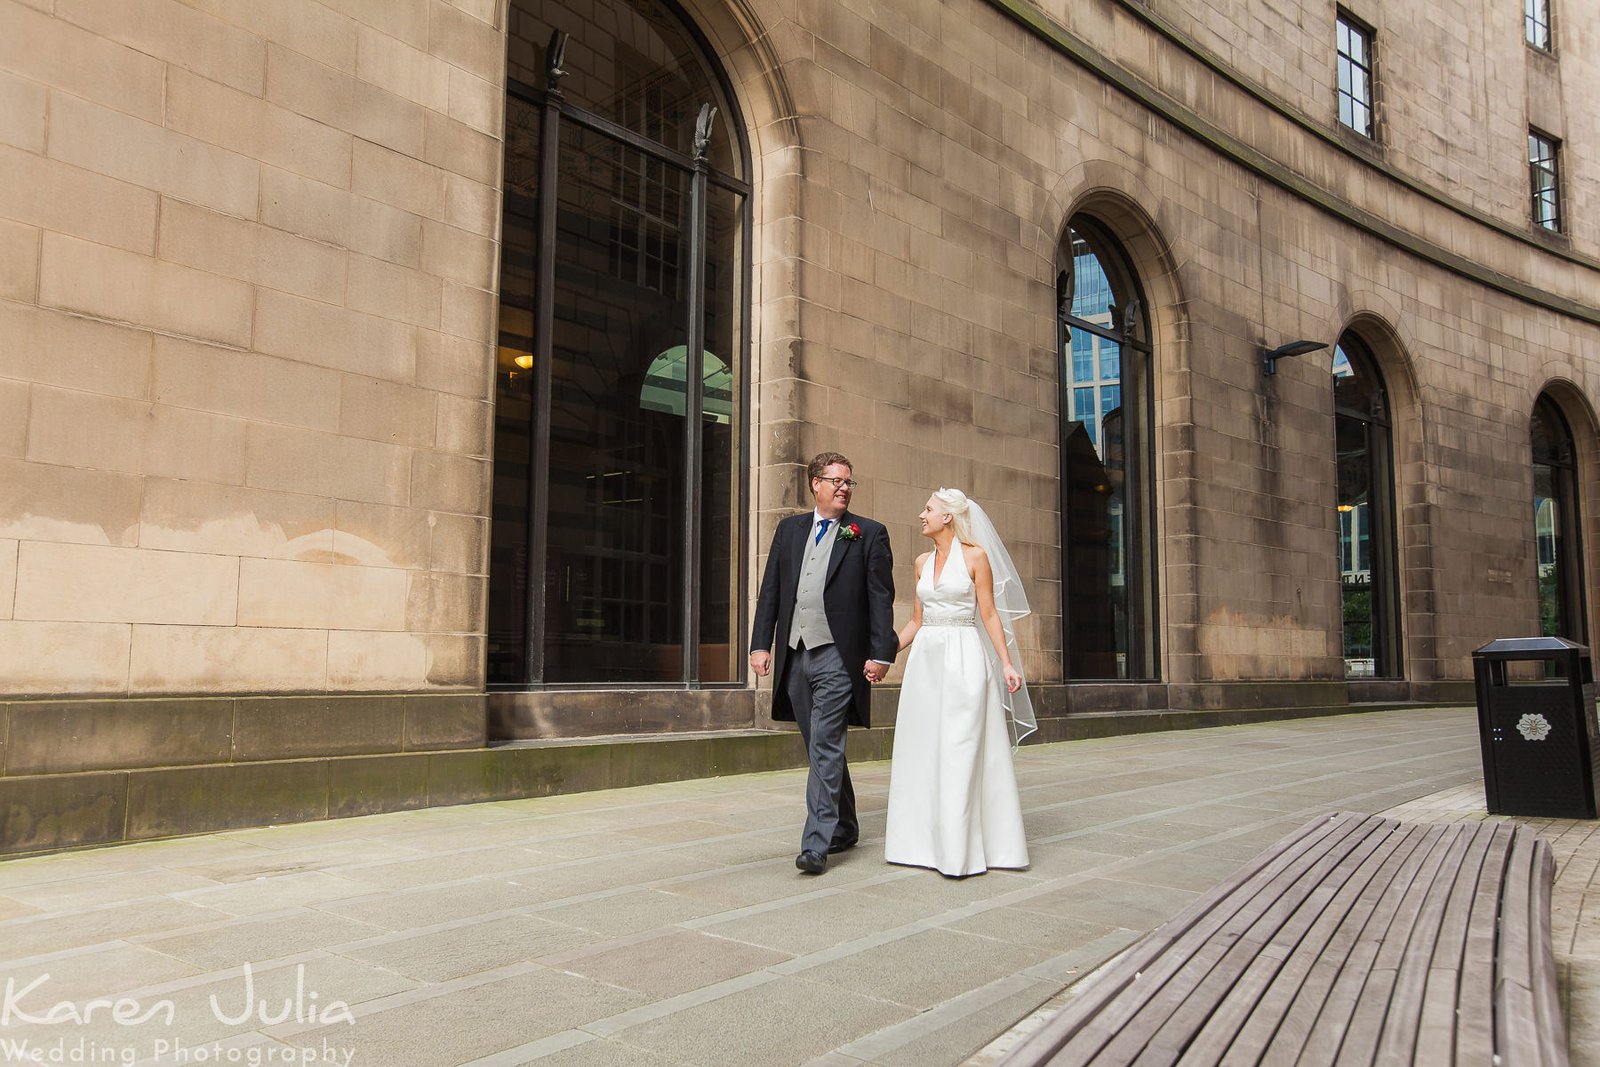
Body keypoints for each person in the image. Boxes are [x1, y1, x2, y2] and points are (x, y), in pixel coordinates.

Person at [751, 452, 896, 875]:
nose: (843, 488)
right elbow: (771, 591)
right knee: (820, 746)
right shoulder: (790, 529)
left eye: (849, 482)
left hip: (839, 656)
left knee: (826, 744)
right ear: (814, 483)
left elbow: (880, 598)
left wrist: (881, 652)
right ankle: (846, 823)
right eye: (835, 481)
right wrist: (762, 645)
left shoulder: (868, 533)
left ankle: (817, 842)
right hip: (795, 654)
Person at [883, 488, 1033, 877]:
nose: (921, 515)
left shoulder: (975, 557)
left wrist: (1007, 663)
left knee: (960, 747)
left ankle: (961, 849)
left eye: (928, 509)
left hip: (964, 658)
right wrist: (884, 657)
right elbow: (916, 622)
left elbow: (989, 614)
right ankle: (919, 845)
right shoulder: (920, 562)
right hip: (925, 665)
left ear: (947, 517)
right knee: (924, 748)